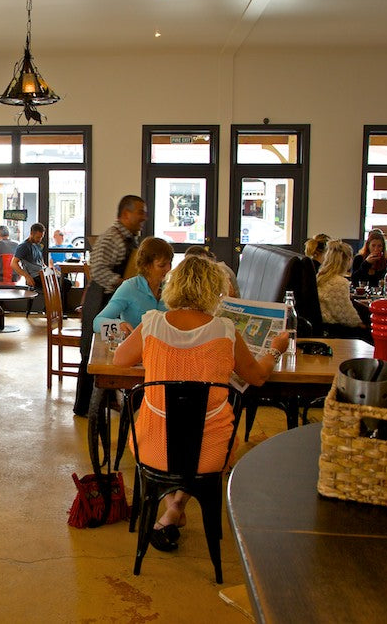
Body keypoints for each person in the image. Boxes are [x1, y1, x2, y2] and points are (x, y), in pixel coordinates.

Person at [112, 255, 289, 551]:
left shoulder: (152, 324)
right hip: (210, 452)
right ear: (214, 290)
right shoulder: (225, 330)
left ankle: (170, 507)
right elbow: (257, 377)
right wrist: (275, 349)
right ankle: (175, 507)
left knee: (166, 451)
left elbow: (119, 360)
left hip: (154, 446)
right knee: (197, 455)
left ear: (174, 286)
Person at [74, 195, 147, 417]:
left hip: (113, 300)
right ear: (126, 214)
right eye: (140, 212)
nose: (144, 217)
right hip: (100, 301)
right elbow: (98, 271)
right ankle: (85, 407)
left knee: (111, 351)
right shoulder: (110, 238)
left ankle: (106, 399)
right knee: (92, 353)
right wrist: (124, 283)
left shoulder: (129, 238)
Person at [93, 237, 173, 336]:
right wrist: (119, 325)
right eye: (161, 265)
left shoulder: (170, 289)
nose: (168, 269)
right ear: (146, 266)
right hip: (135, 348)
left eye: (170, 263)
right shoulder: (130, 287)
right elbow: (96, 323)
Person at [316, 241, 368, 338]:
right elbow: (343, 314)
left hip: (323, 326)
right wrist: (359, 323)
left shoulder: (320, 277)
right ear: (347, 259)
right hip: (334, 329)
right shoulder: (339, 282)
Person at [11, 222, 46, 289]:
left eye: (41, 237)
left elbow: (41, 263)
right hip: (35, 277)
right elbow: (13, 263)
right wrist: (26, 276)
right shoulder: (24, 246)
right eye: (38, 237)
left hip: (42, 274)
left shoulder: (37, 245)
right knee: (64, 283)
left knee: (65, 282)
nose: (39, 240)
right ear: (31, 234)